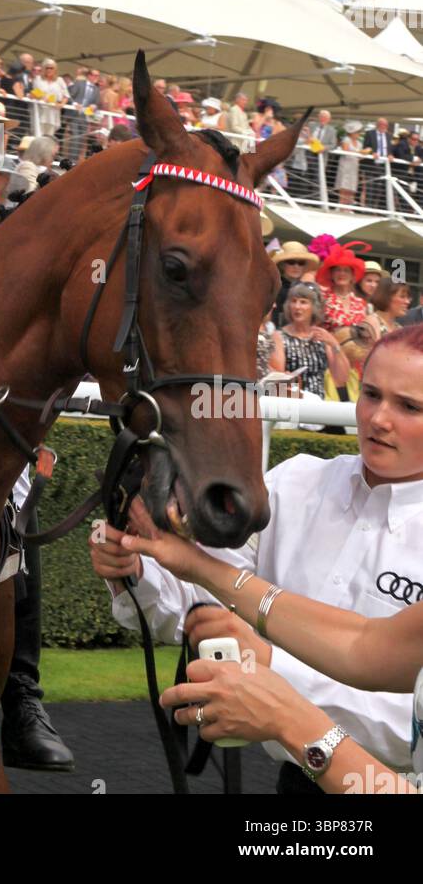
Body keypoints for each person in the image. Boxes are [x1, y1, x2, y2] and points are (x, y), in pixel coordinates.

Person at [91, 325, 423, 794]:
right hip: (299, 779)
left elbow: (408, 726)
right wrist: (138, 568)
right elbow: (199, 609)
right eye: (370, 394)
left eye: (409, 405)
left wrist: (271, 676)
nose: (378, 419)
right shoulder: (298, 481)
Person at [269, 282, 350, 397]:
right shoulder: (279, 337)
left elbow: (341, 379)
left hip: (317, 407)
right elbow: (277, 380)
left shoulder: (323, 337)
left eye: (303, 302)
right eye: (294, 301)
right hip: (291, 404)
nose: (297, 307)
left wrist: (334, 344)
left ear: (314, 307)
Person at [317, 243, 368, 335]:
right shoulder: (322, 297)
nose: (342, 274)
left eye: (346, 270)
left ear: (352, 276)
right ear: (331, 274)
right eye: (338, 270)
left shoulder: (360, 303)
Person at [268, 240, 320, 326]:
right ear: (282, 265)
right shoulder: (273, 286)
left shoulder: (308, 289)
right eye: (291, 262)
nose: (296, 266)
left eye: (301, 263)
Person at [31, 59, 69, 141]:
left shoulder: (60, 80)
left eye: (51, 68)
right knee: (37, 136)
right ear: (43, 69)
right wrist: (42, 97)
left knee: (49, 138)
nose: (49, 70)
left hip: (53, 112)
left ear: (55, 69)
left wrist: (61, 104)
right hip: (40, 111)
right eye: (47, 68)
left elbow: (66, 96)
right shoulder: (38, 79)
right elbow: (34, 93)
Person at [335, 119, 363, 206]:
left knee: (352, 188)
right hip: (345, 166)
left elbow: (359, 157)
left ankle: (348, 207)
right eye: (357, 132)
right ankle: (342, 206)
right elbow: (346, 151)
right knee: (344, 188)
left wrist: (362, 154)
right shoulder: (346, 140)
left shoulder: (359, 143)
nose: (358, 134)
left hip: (354, 167)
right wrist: (359, 153)